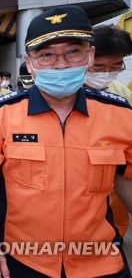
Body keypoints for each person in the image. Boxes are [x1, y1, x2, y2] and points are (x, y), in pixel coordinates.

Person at [0, 5, 132, 278]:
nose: (60, 64)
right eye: (46, 55)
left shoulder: (120, 115)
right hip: (25, 258)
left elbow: (125, 179)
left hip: (100, 260)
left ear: (89, 55)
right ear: (30, 63)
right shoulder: (3, 113)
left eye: (73, 52)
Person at [85, 24, 132, 240]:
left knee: (115, 215)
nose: (106, 74)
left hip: (116, 170)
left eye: (115, 67)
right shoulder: (66, 92)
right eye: (99, 67)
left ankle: (117, 237)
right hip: (83, 174)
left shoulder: (121, 94)